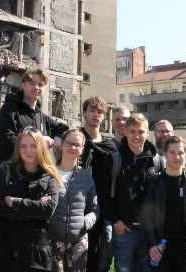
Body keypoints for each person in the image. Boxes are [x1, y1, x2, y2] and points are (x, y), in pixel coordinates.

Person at [0, 127, 62, 272]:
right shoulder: (6, 171)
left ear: (40, 147)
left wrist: (14, 202)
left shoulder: (49, 176)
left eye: (33, 146)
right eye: (23, 146)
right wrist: (32, 210)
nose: (28, 151)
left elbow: (47, 210)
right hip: (5, 250)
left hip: (36, 254)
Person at [103, 113, 164, 272]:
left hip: (150, 231)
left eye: (141, 132)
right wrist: (116, 221)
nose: (136, 136)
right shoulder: (113, 159)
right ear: (125, 132)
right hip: (125, 230)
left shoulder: (156, 161)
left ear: (148, 132)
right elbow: (103, 195)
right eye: (132, 131)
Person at [143, 136, 186, 272]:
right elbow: (148, 217)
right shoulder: (154, 182)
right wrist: (152, 243)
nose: (177, 157)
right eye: (172, 152)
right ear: (165, 154)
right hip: (161, 245)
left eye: (180, 153)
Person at [0, 66, 69, 164]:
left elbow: (63, 128)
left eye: (40, 84)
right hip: (13, 170)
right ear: (23, 85)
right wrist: (39, 141)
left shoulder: (41, 116)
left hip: (36, 170)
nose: (36, 87)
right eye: (32, 83)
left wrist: (58, 137)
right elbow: (7, 142)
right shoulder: (9, 110)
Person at [49, 130, 100, 272]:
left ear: (82, 149)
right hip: (52, 239)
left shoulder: (85, 177)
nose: (72, 148)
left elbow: (95, 208)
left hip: (78, 239)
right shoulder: (49, 173)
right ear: (62, 145)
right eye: (69, 143)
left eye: (77, 145)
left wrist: (86, 221)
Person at [79, 97, 118, 272]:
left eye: (100, 112)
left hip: (101, 203)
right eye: (92, 111)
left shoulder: (110, 146)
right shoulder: (75, 140)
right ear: (85, 113)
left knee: (98, 252)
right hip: (79, 200)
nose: (96, 115)